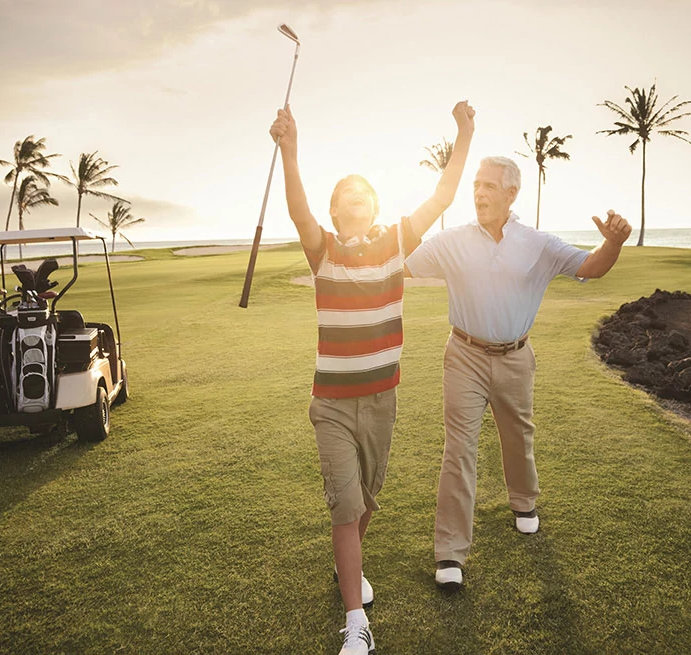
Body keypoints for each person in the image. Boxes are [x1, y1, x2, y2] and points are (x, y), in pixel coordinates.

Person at [269, 100, 474, 655]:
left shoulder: (395, 243)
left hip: (382, 402)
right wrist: (291, 149)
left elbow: (443, 196)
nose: (352, 199)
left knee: (365, 502)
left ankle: (347, 570)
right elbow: (296, 208)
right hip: (332, 404)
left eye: (362, 192)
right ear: (335, 212)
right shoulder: (323, 251)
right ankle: (355, 624)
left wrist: (464, 133)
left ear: (375, 205)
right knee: (346, 506)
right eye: (343, 195)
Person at [404, 155, 632, 590]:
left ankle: (524, 503)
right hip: (464, 356)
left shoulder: (538, 244)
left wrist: (614, 244)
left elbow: (591, 267)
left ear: (512, 194)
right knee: (459, 450)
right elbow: (401, 264)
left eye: (490, 186)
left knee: (518, 436)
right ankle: (450, 552)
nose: (480, 193)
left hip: (515, 357)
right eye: (476, 185)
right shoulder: (452, 240)